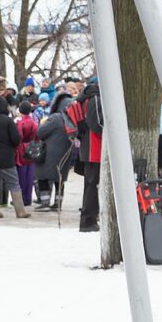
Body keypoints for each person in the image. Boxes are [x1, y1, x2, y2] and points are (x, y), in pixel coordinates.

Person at [66, 79, 103, 232]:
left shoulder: (86, 98)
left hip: (88, 147)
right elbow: (97, 124)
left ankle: (89, 219)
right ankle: (88, 220)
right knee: (92, 186)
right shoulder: (95, 99)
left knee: (91, 185)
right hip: (95, 148)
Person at [34, 88, 74, 211]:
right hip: (65, 154)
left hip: (49, 154)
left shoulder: (55, 117)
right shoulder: (71, 119)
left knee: (42, 176)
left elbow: (40, 132)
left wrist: (43, 123)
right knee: (59, 179)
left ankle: (45, 202)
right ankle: (58, 203)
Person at [14, 100, 38, 206]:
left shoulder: (20, 123)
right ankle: (28, 198)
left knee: (21, 175)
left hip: (21, 148)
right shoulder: (33, 122)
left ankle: (22, 199)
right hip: (32, 147)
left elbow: (18, 137)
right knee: (30, 175)